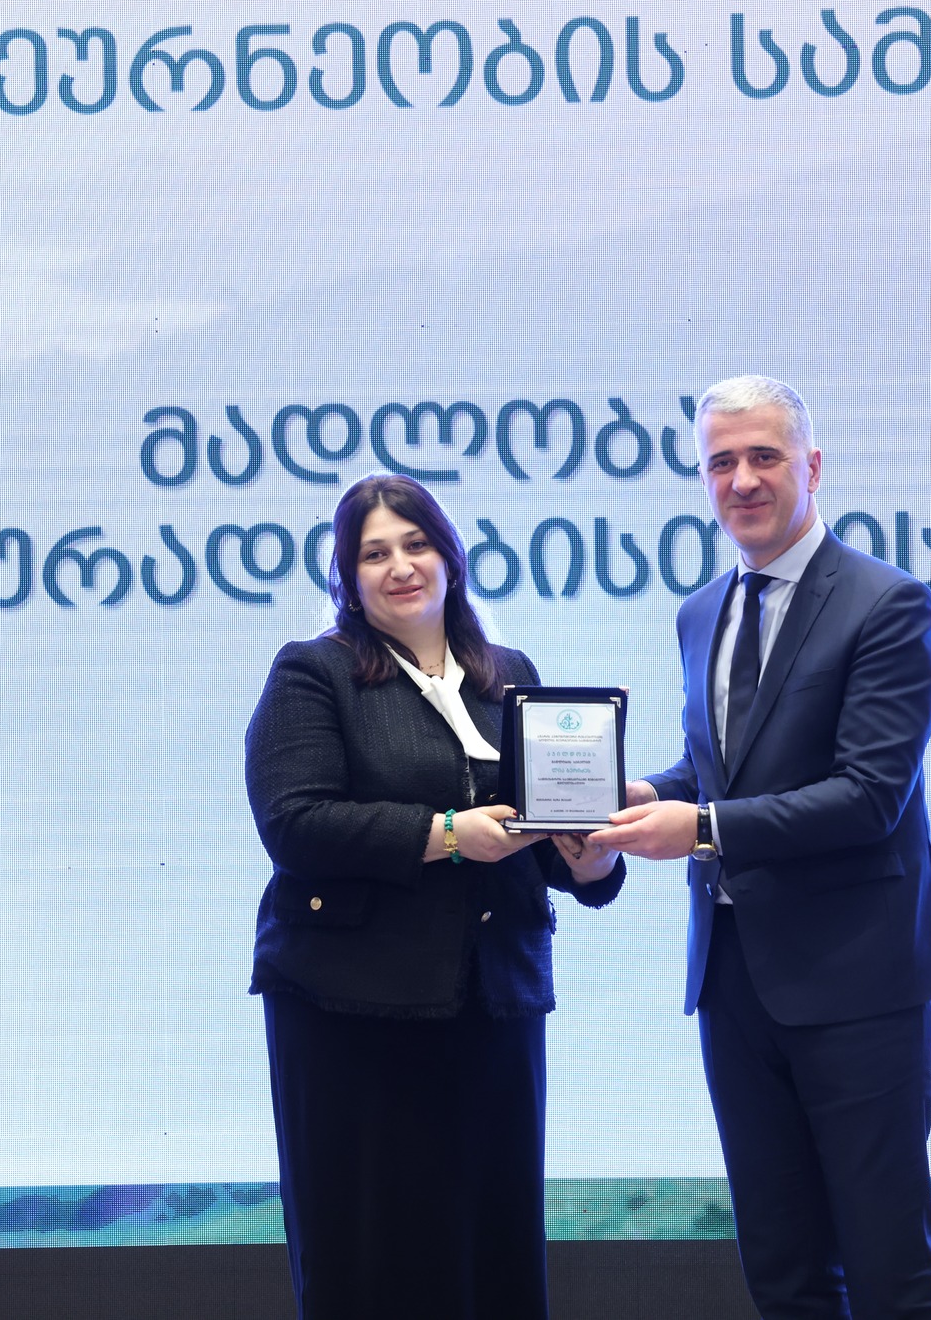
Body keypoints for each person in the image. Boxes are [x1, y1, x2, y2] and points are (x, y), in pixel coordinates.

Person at [592, 375, 931, 1319]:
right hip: (733, 980)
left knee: (890, 1271)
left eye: (764, 456)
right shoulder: (700, 610)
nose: (743, 480)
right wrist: (646, 796)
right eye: (722, 462)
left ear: (812, 465)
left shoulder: (888, 604)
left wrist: (703, 827)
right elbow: (719, 765)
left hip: (857, 984)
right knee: (784, 1273)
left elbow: (870, 796)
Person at [244, 472, 625, 1320]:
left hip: (495, 1006)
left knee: (494, 1254)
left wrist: (590, 859)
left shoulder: (508, 676)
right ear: (348, 579)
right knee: (376, 1258)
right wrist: (446, 833)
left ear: (450, 557)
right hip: (353, 1016)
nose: (400, 566)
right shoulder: (314, 672)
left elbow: (540, 836)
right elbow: (295, 823)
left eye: (416, 544)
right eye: (373, 553)